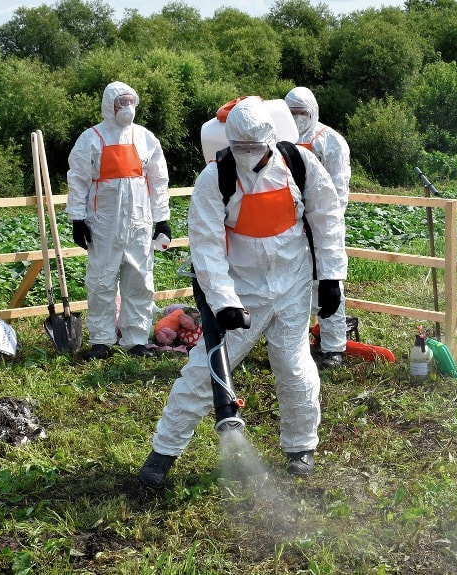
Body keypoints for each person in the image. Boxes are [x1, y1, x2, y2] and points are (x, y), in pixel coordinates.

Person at [138, 97, 347, 490]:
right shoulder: (213, 179)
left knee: (293, 366)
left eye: (255, 147)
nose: (248, 154)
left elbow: (326, 218)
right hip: (241, 292)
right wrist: (224, 303)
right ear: (228, 142)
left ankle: (301, 447)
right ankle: (162, 454)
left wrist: (332, 277)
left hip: (292, 283)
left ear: (271, 138)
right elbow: (207, 246)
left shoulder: (300, 166)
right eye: (241, 148)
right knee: (205, 371)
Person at [66, 81, 171, 360]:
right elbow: (78, 181)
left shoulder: (146, 138)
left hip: (139, 225)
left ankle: (136, 339)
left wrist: (162, 218)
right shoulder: (91, 139)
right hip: (103, 225)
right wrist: (77, 218)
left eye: (129, 102)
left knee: (140, 282)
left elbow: (158, 181)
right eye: (120, 103)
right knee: (101, 283)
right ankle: (101, 341)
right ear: (108, 105)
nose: (126, 108)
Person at [285, 86, 352, 370]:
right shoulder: (281, 139)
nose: (297, 118)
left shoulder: (329, 141)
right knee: (292, 285)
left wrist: (323, 220)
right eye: (291, 113)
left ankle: (333, 346)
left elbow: (338, 189)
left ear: (313, 111)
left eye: (302, 113)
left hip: (322, 223)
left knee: (328, 282)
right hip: (288, 224)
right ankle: (296, 343)